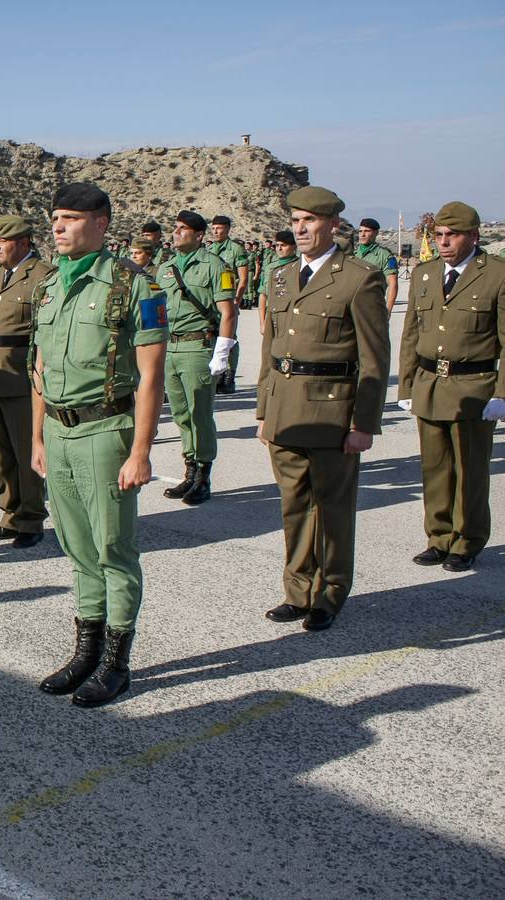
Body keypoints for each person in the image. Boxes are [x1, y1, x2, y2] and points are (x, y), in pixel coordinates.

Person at [32, 183, 167, 708]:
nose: (58, 227)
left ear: (102, 222)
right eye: (55, 219)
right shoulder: (50, 286)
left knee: (113, 550)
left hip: (106, 433)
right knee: (77, 548)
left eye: (69, 218)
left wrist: (141, 450)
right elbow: (40, 368)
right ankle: (85, 653)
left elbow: (152, 378)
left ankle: (116, 662)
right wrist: (38, 437)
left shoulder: (134, 287)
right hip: (60, 435)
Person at [257, 186, 390, 632]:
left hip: (332, 414)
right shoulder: (280, 275)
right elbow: (270, 349)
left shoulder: (358, 277)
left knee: (332, 508)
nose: (301, 228)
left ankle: (329, 593)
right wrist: (263, 411)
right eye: (296, 220)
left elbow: (374, 358)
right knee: (294, 506)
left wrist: (363, 423)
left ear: (333, 225)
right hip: (285, 411)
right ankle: (297, 591)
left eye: (310, 220)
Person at [398, 201, 504, 573]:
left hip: (473, 386)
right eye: (439, 235)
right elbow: (411, 332)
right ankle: (439, 537)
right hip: (429, 383)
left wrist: (502, 394)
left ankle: (468, 539)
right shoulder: (426, 274)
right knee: (436, 468)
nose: (444, 242)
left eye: (452, 235)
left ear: (474, 236)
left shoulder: (496, 275)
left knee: (470, 469)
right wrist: (406, 386)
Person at [0, 216, 51, 548]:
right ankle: (10, 514)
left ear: (22, 243)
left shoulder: (42, 276)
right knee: (1, 453)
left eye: (1, 241)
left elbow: (45, 332)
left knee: (25, 453)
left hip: (21, 378)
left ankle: (31, 520)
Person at [157, 211, 236, 505]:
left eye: (182, 229)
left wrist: (221, 354)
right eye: (174, 228)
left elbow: (228, 313)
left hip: (197, 347)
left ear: (199, 235)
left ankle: (203, 475)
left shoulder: (215, 266)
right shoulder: (165, 269)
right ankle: (189, 471)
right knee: (180, 413)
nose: (175, 233)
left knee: (199, 414)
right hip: (170, 348)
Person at [208, 215, 248, 392]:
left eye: (219, 228)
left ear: (228, 229)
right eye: (214, 228)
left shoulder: (236, 249)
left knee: (230, 338)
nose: (216, 231)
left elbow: (243, 277)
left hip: (228, 299)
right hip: (212, 302)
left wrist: (237, 300)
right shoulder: (209, 249)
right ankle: (217, 375)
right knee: (213, 336)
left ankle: (229, 376)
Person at [353, 218, 400, 313]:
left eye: (367, 231)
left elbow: (393, 283)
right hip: (352, 308)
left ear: (375, 233)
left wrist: (388, 311)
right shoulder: (352, 254)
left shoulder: (386, 256)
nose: (362, 234)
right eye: (360, 231)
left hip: (373, 308)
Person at [257, 230, 298, 327]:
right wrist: (262, 323)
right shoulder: (269, 268)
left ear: (294, 247)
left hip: (292, 318)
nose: (279, 249)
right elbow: (263, 295)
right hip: (272, 316)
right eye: (277, 245)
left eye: (283, 245)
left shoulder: (300, 266)